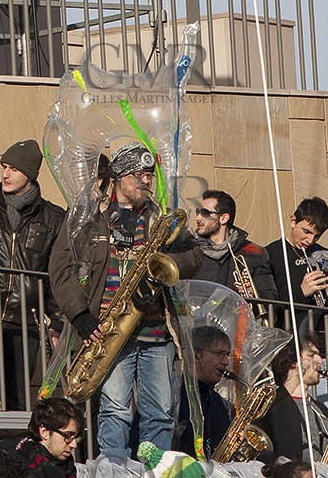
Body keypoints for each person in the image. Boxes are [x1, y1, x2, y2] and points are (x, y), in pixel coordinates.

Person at [48, 142, 201, 459]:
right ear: (117, 177)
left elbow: (195, 256)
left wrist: (164, 265)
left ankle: (154, 468)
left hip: (157, 332)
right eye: (138, 175)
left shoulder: (162, 218)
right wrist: (80, 316)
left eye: (149, 175)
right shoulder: (89, 217)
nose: (146, 181)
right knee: (116, 410)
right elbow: (60, 268)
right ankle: (114, 468)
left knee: (160, 413)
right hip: (110, 332)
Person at [0, 139, 67, 410]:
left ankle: (14, 451)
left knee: (18, 399)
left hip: (26, 319)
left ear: (30, 174)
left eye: (14, 169)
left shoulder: (53, 217)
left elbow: (55, 272)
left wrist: (56, 319)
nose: (6, 174)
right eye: (4, 167)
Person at [264, 197, 328, 322]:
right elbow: (269, 307)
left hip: (318, 335)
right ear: (293, 221)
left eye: (317, 236)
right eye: (306, 232)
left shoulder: (325, 256)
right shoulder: (269, 254)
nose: (310, 240)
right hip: (286, 334)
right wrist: (302, 292)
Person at [255, 334, 328, 463]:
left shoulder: (324, 412)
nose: (320, 360)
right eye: (311, 355)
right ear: (292, 362)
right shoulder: (268, 409)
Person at [189, 189, 275, 299]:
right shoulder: (189, 250)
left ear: (223, 218)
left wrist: (254, 293)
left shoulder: (254, 252)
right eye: (198, 212)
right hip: (198, 315)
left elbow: (271, 298)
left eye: (205, 213)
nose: (198, 218)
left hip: (237, 316)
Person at [173, 325, 235, 457]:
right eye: (219, 354)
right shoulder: (172, 395)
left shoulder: (223, 406)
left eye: (227, 355)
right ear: (196, 355)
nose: (226, 362)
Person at [0, 396, 83, 478]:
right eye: (68, 436)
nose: (74, 445)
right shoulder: (15, 466)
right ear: (44, 432)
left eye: (76, 437)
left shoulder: (66, 466)